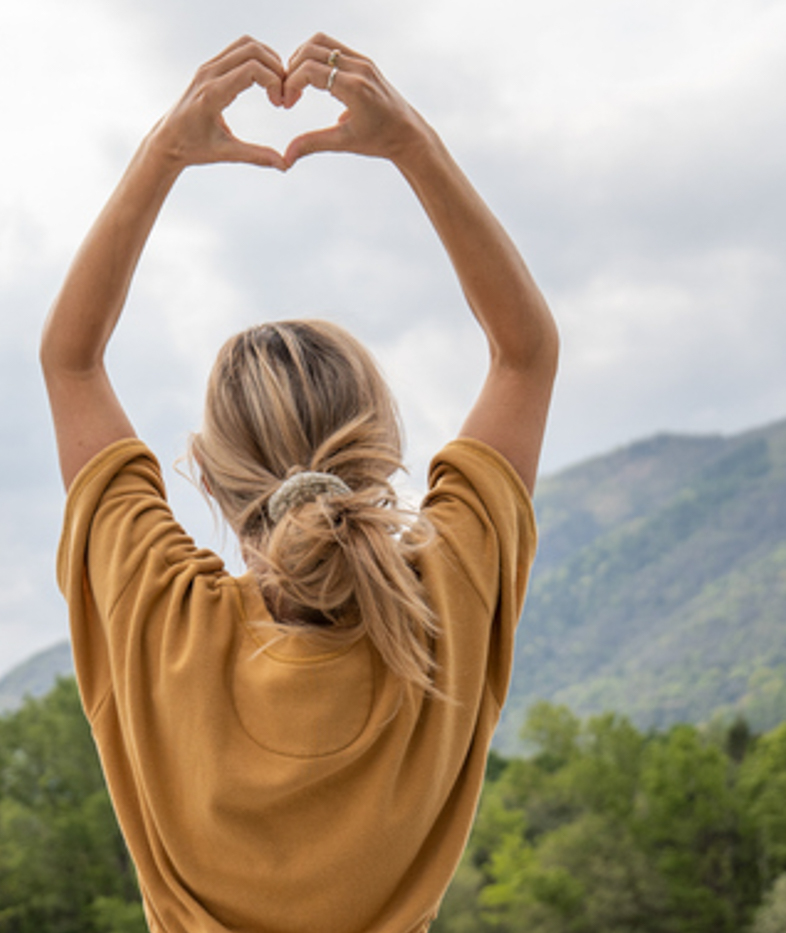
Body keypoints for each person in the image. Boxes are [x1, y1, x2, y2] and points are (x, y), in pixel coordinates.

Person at [43, 33, 558, 933]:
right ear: (385, 453)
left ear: (204, 471)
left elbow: (70, 361)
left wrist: (166, 151)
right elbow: (525, 354)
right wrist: (411, 145)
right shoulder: (442, 615)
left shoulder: (160, 622)